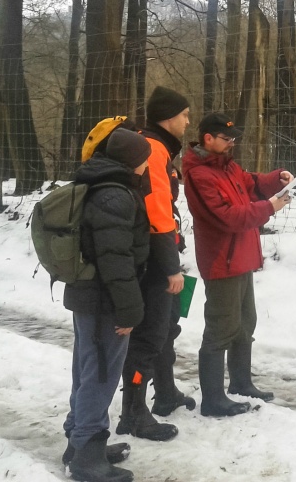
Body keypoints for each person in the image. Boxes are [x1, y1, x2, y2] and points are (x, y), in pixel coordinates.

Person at [182, 113, 293, 417]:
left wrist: (277, 178)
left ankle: (241, 383)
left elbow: (251, 183)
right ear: (208, 138)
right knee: (221, 329)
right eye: (226, 139)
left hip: (241, 258)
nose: (232, 144)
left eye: (233, 139)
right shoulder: (200, 175)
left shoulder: (226, 166)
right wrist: (270, 207)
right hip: (222, 261)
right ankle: (214, 398)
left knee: (246, 323)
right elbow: (229, 217)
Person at [62, 128, 151, 482]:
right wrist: (129, 311)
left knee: (87, 373)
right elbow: (116, 261)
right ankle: (86, 456)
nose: (149, 163)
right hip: (104, 301)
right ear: (133, 159)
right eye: (145, 157)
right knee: (99, 376)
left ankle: (80, 441)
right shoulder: (115, 195)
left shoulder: (102, 184)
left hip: (90, 296)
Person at [116, 86, 194, 442]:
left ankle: (165, 392)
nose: (188, 120)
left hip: (146, 253)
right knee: (148, 338)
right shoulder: (155, 149)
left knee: (164, 328)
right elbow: (158, 211)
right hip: (150, 259)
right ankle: (134, 413)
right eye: (184, 114)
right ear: (168, 117)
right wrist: (170, 265)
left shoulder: (150, 145)